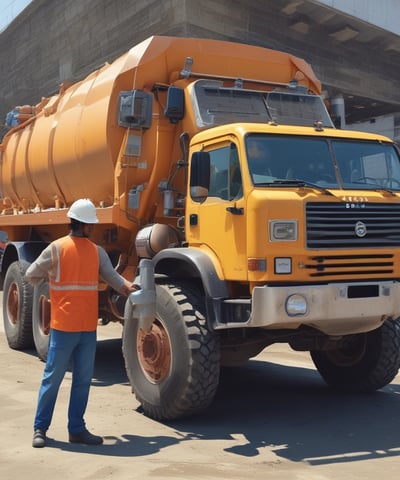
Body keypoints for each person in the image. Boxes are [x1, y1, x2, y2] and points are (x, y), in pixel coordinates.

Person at [26, 198, 137, 448]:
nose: (94, 229)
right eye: (91, 224)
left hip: (82, 328)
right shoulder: (59, 248)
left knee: (76, 380)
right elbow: (32, 273)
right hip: (69, 328)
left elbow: (32, 275)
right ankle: (40, 428)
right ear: (82, 224)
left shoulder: (90, 250)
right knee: (56, 379)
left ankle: (76, 430)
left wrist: (128, 287)